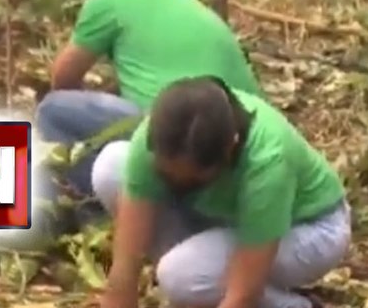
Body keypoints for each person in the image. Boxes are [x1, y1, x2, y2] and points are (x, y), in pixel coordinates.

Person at [34, 0, 261, 198]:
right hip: (244, 142)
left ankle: (94, 204)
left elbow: (63, 78)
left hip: (176, 133)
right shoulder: (191, 3)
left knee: (53, 109)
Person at [93, 77, 350, 308]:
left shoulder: (268, 160)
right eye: (167, 175)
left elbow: (243, 296)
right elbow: (125, 268)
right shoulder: (158, 135)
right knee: (112, 166)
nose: (177, 184)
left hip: (309, 229)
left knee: (180, 276)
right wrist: (119, 294)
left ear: (230, 149)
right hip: (229, 214)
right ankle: (201, 280)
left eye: (192, 179)